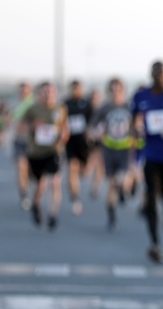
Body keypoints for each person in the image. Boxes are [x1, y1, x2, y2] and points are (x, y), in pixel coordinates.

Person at [133, 61, 163, 263]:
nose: (158, 76)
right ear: (150, 74)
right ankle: (155, 243)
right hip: (150, 154)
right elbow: (133, 120)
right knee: (151, 197)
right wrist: (136, 130)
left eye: (162, 73)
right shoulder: (141, 96)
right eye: (155, 73)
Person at [21, 81, 68, 231]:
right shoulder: (33, 109)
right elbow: (19, 127)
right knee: (40, 185)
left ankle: (53, 215)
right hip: (36, 152)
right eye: (45, 91)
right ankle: (35, 204)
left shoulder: (60, 109)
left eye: (51, 91)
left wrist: (63, 136)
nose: (48, 94)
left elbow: (65, 128)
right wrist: (32, 126)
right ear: (39, 93)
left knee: (54, 182)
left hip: (53, 151)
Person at [92, 78, 135, 231]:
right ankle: (112, 216)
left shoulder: (129, 106)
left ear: (122, 90)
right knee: (110, 184)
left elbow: (136, 126)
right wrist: (97, 133)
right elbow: (95, 126)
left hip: (125, 149)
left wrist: (136, 138)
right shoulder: (104, 108)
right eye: (112, 88)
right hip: (109, 149)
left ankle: (124, 190)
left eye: (118, 88)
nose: (115, 91)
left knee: (123, 178)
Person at [63, 80, 93, 216]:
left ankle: (83, 173)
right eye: (73, 88)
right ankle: (75, 197)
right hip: (70, 142)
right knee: (72, 168)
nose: (75, 91)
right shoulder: (65, 104)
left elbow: (93, 120)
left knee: (84, 171)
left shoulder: (86, 104)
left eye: (78, 88)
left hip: (84, 142)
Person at [10, 82, 35, 209]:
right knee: (21, 166)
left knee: (31, 171)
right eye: (21, 91)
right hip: (19, 141)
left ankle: (29, 184)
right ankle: (24, 194)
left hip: (33, 143)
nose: (23, 93)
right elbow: (11, 122)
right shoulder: (16, 106)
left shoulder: (35, 105)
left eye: (25, 91)